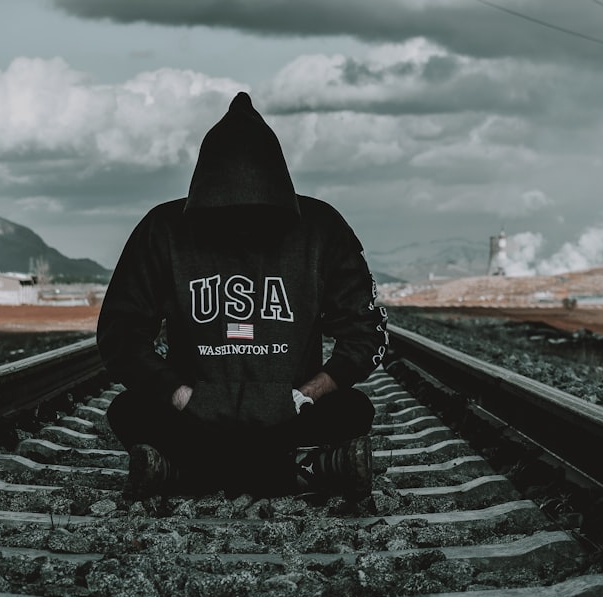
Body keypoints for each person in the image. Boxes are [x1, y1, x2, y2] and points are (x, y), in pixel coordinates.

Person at [96, 91, 389, 500]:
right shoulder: (163, 230)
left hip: (288, 416)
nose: (242, 225)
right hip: (196, 416)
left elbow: (366, 333)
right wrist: (181, 396)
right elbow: (120, 336)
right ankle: (314, 471)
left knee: (353, 409)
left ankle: (180, 473)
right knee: (129, 410)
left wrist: (306, 395)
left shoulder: (321, 229)